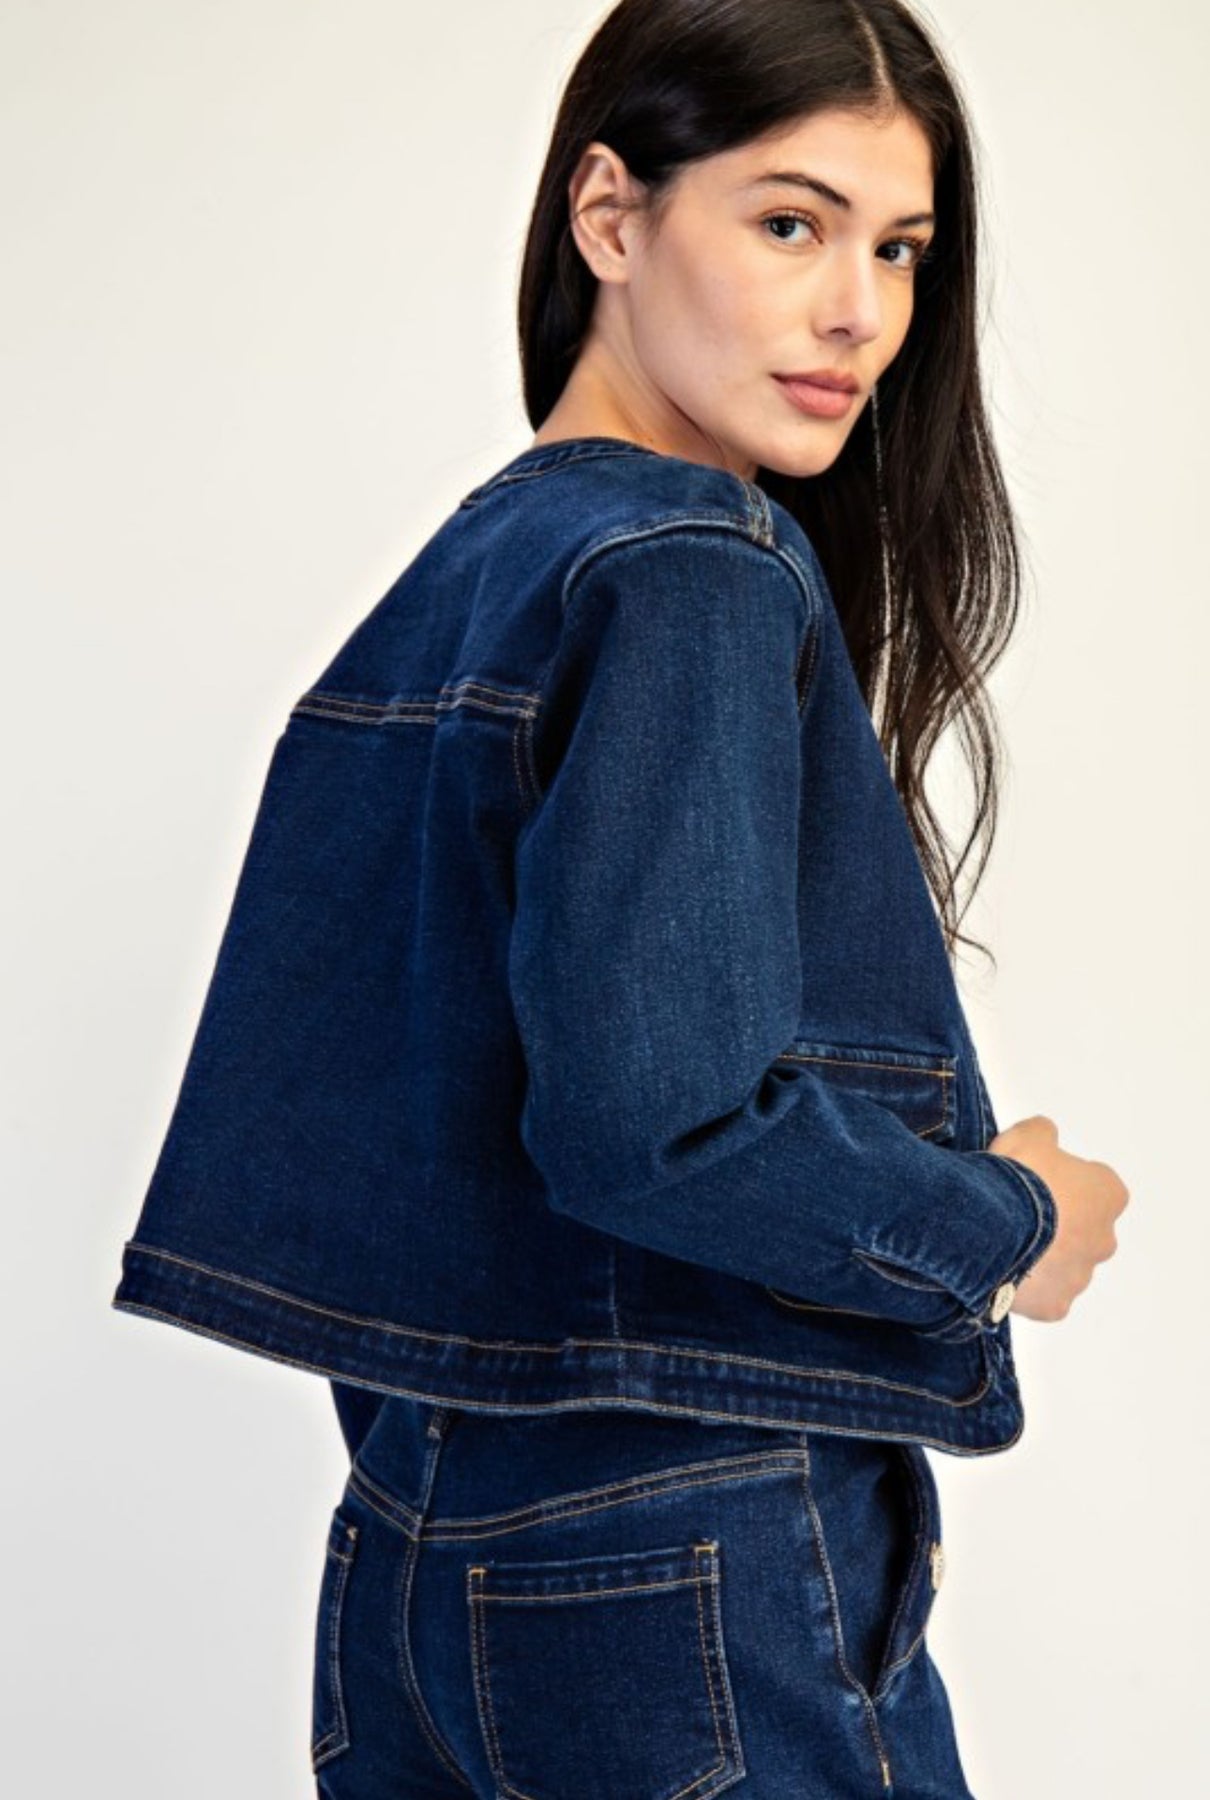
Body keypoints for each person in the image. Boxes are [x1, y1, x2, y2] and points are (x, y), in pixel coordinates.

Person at [110, 1, 1130, 1794]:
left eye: (899, 249)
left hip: (417, 1542)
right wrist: (1006, 1223)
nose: (859, 312)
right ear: (609, 214)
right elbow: (662, 1130)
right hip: (686, 1548)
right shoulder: (690, 567)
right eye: (790, 222)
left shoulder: (482, 561)